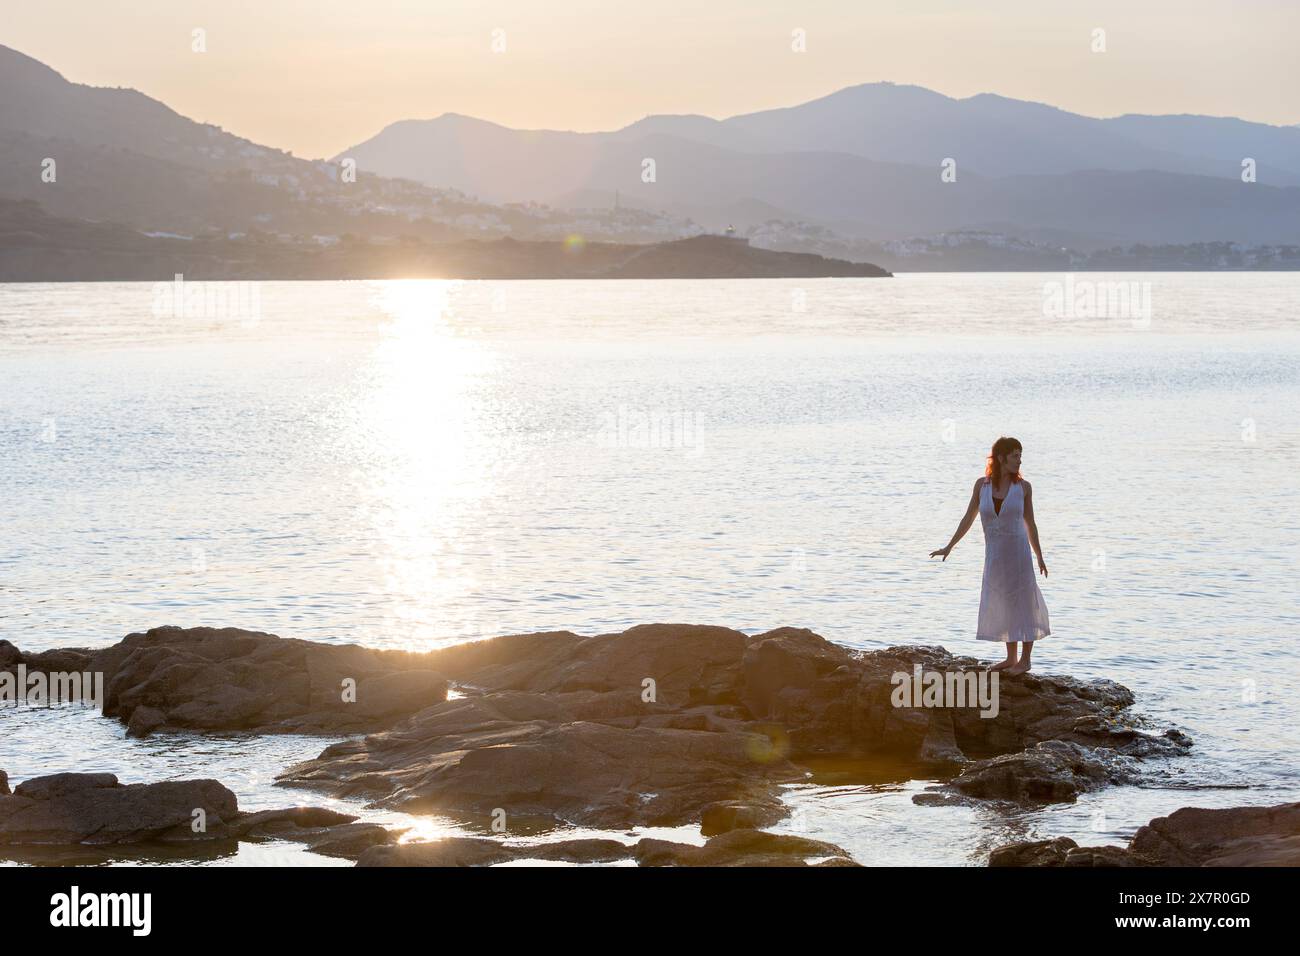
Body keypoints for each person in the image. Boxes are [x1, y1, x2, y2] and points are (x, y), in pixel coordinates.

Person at [929, 436, 1050, 673]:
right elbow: (968, 518)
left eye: (1020, 455)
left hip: (1018, 555)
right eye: (1015, 456)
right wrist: (949, 546)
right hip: (995, 556)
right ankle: (1011, 658)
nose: (1019, 460)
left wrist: (1039, 556)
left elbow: (1030, 523)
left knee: (1024, 601)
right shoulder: (981, 486)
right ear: (1001, 458)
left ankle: (1025, 661)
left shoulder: (1023, 488)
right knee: (1003, 601)